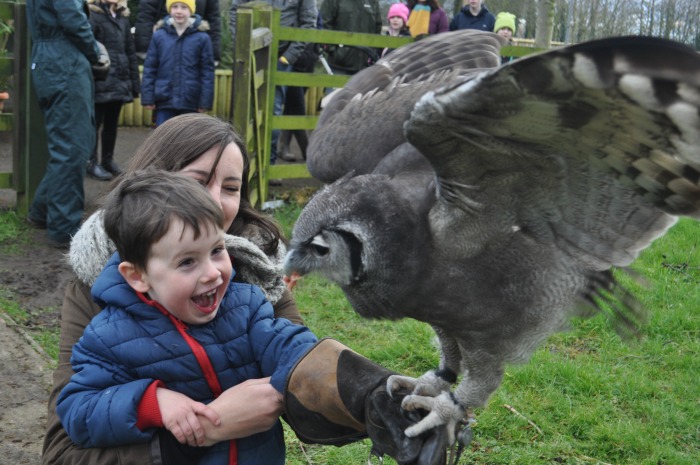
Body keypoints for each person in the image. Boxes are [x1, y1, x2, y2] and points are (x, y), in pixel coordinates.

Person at [42, 113, 447, 465]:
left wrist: (375, 394)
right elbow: (67, 445)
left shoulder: (248, 279)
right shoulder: (100, 297)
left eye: (231, 188)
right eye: (198, 181)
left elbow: (297, 360)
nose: (217, 204)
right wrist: (203, 428)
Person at [56, 169, 320, 463]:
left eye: (217, 249)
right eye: (187, 261)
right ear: (138, 276)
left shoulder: (245, 305)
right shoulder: (109, 337)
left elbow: (287, 343)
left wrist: (318, 367)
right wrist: (152, 402)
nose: (212, 272)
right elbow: (79, 409)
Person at [25, 0, 105, 247]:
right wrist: (95, 52)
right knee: (73, 149)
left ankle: (41, 211)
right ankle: (64, 228)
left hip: (48, 59)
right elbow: (72, 18)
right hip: (64, 61)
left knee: (66, 146)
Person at [229, 0, 317, 165]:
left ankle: (266, 165)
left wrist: (288, 57)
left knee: (273, 111)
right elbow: (236, 11)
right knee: (243, 110)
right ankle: (239, 164)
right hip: (249, 53)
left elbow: (308, 23)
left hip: (280, 57)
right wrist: (241, 43)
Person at [86, 0, 140, 181]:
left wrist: (134, 83)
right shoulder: (93, 15)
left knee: (111, 125)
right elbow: (88, 48)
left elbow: (130, 51)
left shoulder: (123, 17)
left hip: (119, 81)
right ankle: (91, 163)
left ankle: (107, 161)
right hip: (100, 79)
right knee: (94, 124)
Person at [141, 0, 215, 127]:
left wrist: (204, 102)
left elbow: (207, 72)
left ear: (191, 10)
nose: (179, 11)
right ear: (169, 9)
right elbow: (150, 68)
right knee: (163, 138)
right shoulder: (159, 36)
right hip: (164, 99)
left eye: (184, 7)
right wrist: (148, 97)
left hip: (190, 100)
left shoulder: (202, 38)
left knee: (188, 140)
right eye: (175, 7)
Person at [135, 0, 222, 64]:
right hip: (163, 46)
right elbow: (146, 14)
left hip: (195, 47)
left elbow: (213, 18)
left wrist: (213, 53)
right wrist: (144, 48)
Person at [320, 0, 382, 75]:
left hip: (365, 66)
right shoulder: (333, 1)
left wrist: (371, 51)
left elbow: (377, 27)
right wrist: (333, 50)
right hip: (338, 66)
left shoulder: (373, 2)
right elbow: (324, 25)